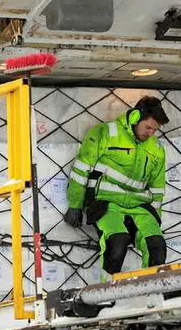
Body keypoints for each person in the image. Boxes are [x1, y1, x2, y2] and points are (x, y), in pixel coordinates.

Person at [63, 96, 169, 280]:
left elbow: (158, 186)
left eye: (155, 130)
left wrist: (155, 218)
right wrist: (75, 205)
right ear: (135, 117)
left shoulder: (156, 148)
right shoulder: (104, 133)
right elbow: (81, 169)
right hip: (106, 203)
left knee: (156, 245)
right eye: (148, 127)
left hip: (139, 206)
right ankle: (106, 297)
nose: (150, 133)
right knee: (117, 242)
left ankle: (153, 295)